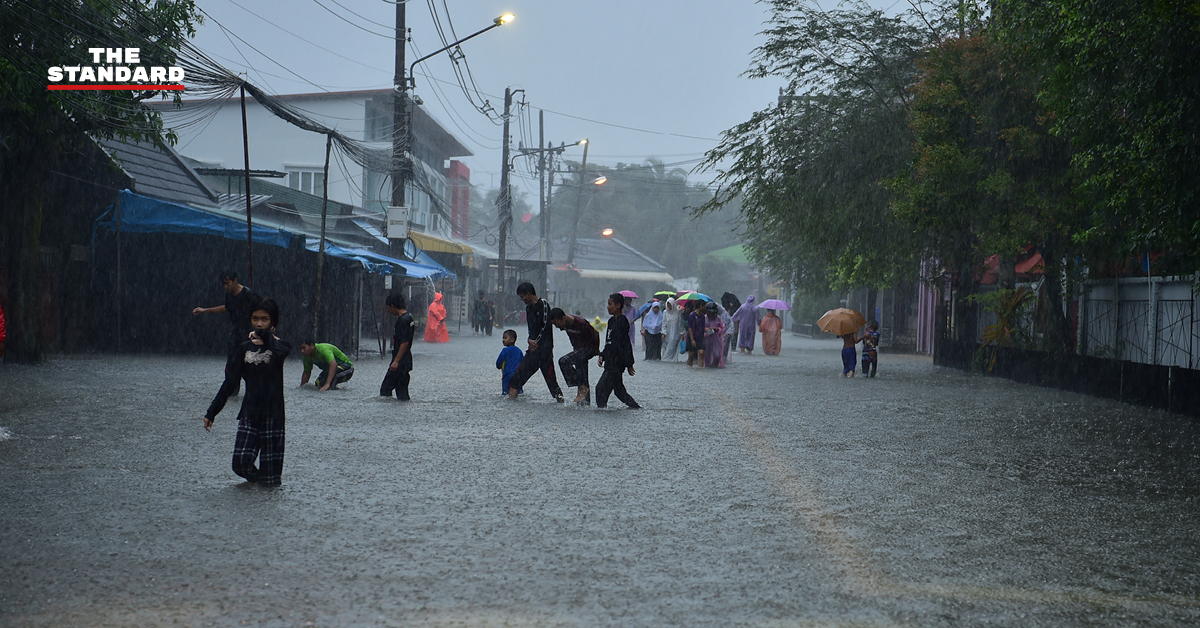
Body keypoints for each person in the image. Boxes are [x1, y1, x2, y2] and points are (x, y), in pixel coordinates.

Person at [200, 299, 290, 487]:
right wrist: (212, 412)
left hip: (273, 416)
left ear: (273, 323)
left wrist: (266, 337)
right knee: (240, 463)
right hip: (249, 414)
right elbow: (230, 383)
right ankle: (257, 485)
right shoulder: (244, 348)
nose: (258, 323)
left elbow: (280, 351)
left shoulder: (280, 347)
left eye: (264, 319)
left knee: (272, 478)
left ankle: (266, 503)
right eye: (255, 319)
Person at [193, 270, 262, 395]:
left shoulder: (248, 294)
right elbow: (226, 307)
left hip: (249, 335)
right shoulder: (229, 296)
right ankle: (232, 393)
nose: (226, 286)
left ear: (235, 280)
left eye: (227, 283)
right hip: (236, 334)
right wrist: (206, 310)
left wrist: (263, 329)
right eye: (223, 284)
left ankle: (256, 394)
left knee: (249, 365)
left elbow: (262, 309)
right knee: (231, 366)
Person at [507, 282, 565, 402]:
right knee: (516, 379)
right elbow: (531, 328)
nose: (522, 300)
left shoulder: (543, 304)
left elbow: (544, 326)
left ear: (528, 294)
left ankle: (561, 402)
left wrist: (535, 342)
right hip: (533, 351)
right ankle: (510, 404)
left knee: (552, 383)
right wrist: (529, 340)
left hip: (545, 351)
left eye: (523, 297)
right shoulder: (528, 308)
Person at [596, 293, 640, 409]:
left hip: (617, 363)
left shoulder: (622, 321)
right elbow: (608, 342)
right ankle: (636, 408)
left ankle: (601, 411)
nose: (607, 307)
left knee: (600, 388)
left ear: (618, 305)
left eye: (610, 304)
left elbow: (625, 343)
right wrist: (602, 356)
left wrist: (629, 363)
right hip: (610, 361)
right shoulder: (611, 321)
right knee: (619, 391)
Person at [550, 307, 600, 404]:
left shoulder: (580, 323)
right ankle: (584, 405)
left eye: (556, 324)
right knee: (582, 376)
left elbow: (595, 332)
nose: (556, 327)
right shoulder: (566, 324)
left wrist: (596, 349)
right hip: (579, 351)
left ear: (564, 318)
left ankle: (582, 387)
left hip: (588, 349)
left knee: (564, 361)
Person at [380, 293, 415, 400]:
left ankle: (390, 412)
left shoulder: (402, 321)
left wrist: (396, 361)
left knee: (385, 389)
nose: (390, 311)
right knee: (402, 392)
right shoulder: (409, 319)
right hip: (406, 361)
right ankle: (401, 414)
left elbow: (404, 343)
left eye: (389, 308)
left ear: (392, 306)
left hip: (400, 362)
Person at [496, 329, 524, 396]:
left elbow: (498, 363)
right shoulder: (519, 351)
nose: (503, 340)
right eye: (503, 338)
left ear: (512, 340)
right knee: (519, 392)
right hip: (518, 375)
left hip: (507, 375)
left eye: (505, 338)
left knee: (506, 393)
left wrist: (499, 366)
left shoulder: (505, 351)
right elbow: (523, 363)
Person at [703, 301, 727, 368]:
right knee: (707, 355)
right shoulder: (704, 318)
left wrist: (718, 329)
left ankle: (715, 366)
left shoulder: (718, 318)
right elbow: (701, 329)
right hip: (707, 339)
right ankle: (708, 367)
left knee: (717, 355)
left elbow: (723, 327)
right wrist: (708, 330)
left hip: (717, 339)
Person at [687, 301, 706, 367]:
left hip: (700, 338)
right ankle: (689, 367)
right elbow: (690, 328)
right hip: (692, 338)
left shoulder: (703, 317)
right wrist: (692, 339)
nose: (705, 308)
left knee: (701, 353)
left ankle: (699, 369)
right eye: (704, 306)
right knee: (691, 355)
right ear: (700, 306)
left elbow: (703, 328)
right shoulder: (692, 315)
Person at [660, 297, 680, 363]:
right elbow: (664, 323)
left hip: (676, 332)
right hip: (668, 333)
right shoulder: (665, 312)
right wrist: (663, 333)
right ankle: (665, 359)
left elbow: (680, 323)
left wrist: (682, 333)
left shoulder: (677, 311)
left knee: (674, 347)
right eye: (668, 305)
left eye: (670, 305)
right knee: (667, 347)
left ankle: (673, 360)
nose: (669, 307)